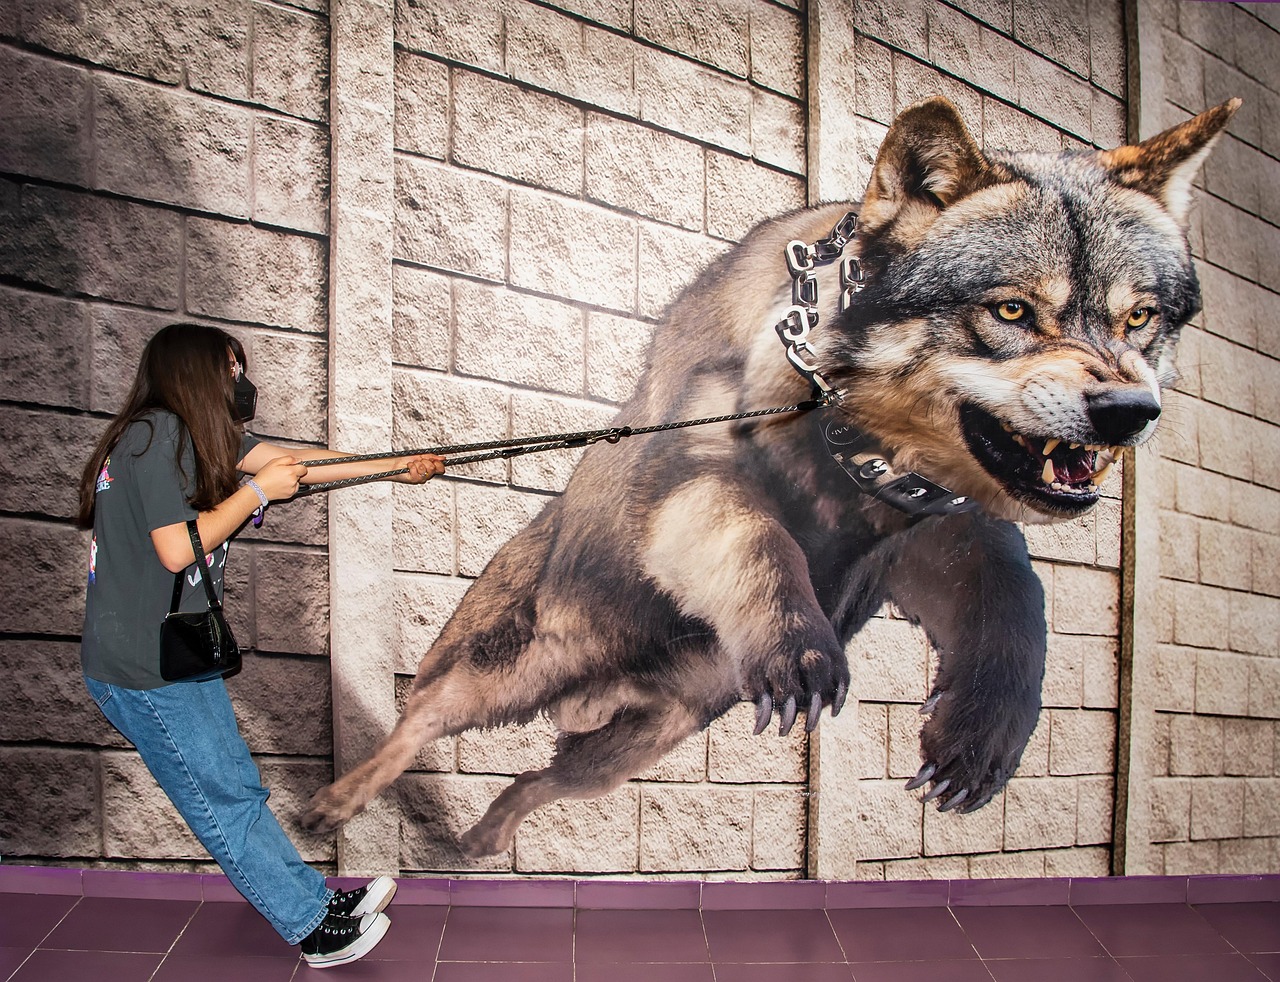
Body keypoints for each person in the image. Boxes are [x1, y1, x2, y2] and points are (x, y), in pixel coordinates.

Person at [75, 323, 444, 969]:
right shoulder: (153, 435)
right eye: (229, 368)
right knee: (222, 799)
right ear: (191, 373)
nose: (240, 382)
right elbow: (176, 548)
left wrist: (397, 468)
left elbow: (297, 464)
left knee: (237, 790)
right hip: (143, 667)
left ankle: (309, 900)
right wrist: (253, 494)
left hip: (168, 657)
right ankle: (309, 928)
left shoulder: (187, 438)